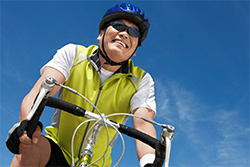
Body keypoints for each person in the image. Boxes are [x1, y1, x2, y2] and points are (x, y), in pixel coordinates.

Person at [10, 3, 157, 167]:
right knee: (29, 147)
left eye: (133, 32)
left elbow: (143, 125)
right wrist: (27, 125)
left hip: (97, 163)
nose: (124, 34)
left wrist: (149, 162)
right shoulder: (73, 54)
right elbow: (38, 94)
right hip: (57, 150)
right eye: (118, 26)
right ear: (101, 34)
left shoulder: (142, 80)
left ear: (135, 49)